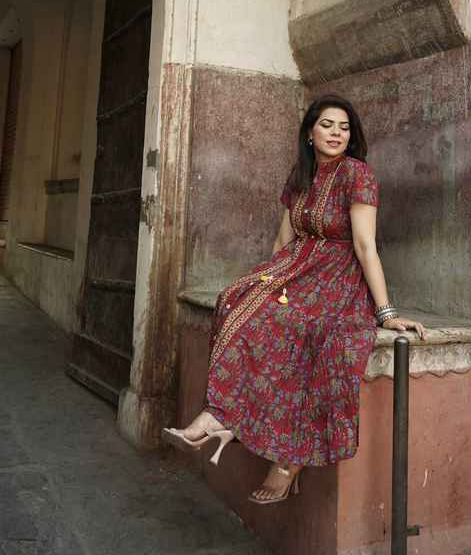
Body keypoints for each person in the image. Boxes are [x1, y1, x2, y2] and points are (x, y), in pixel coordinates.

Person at [163, 94, 424, 504]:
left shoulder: (357, 174)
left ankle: (289, 458)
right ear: (309, 133)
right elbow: (283, 239)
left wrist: (386, 312)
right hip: (295, 267)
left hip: (338, 279)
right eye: (327, 125)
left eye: (344, 128)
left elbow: (364, 245)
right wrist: (267, 282)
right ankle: (219, 414)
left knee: (308, 328)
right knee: (233, 299)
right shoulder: (300, 175)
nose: (336, 133)